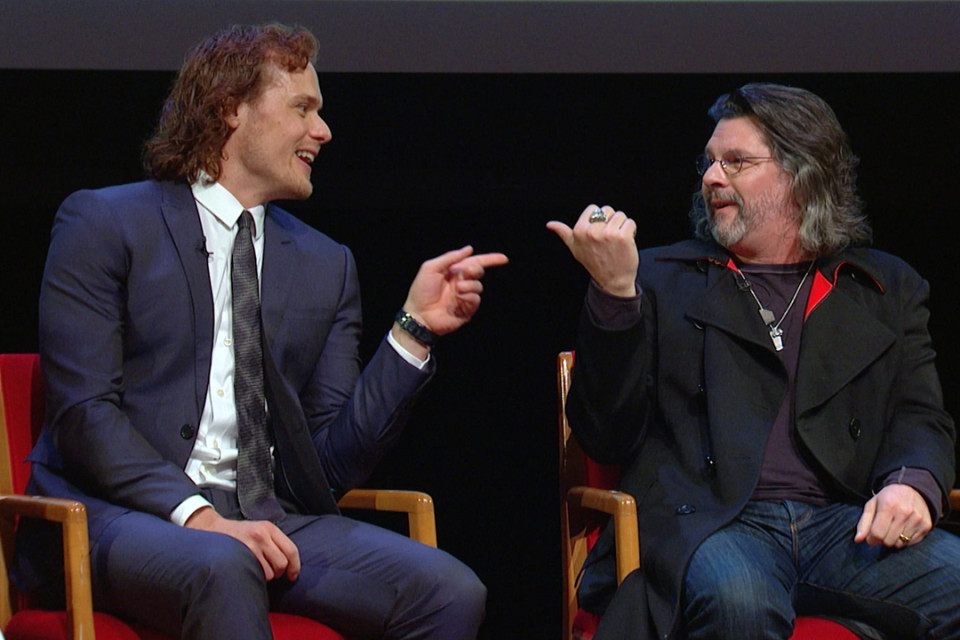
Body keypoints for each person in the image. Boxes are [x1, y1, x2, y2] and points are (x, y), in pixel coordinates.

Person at [16, 23, 506, 640]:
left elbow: (331, 462)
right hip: (115, 516)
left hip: (262, 518)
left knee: (450, 593)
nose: (323, 131)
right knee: (225, 566)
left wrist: (411, 333)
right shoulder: (105, 223)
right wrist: (199, 517)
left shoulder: (326, 265)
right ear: (231, 108)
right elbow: (84, 414)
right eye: (303, 108)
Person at [547, 83, 960, 639]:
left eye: (736, 162)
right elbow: (606, 435)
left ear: (802, 176)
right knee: (741, 602)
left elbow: (920, 414)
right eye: (710, 162)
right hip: (713, 525)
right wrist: (615, 295)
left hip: (842, 524)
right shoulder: (660, 279)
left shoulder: (885, 287)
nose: (712, 178)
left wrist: (912, 482)